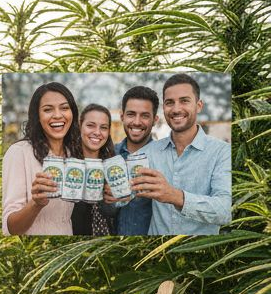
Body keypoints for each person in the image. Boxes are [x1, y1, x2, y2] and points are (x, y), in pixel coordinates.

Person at [132, 73, 232, 235]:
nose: (176, 109)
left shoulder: (222, 152)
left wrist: (175, 196)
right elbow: (126, 192)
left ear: (199, 106)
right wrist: (114, 194)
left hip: (201, 252)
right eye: (169, 103)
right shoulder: (148, 152)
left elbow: (225, 211)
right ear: (163, 108)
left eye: (184, 101)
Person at [2, 81, 81, 236]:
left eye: (64, 108)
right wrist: (35, 204)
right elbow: (10, 228)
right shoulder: (19, 153)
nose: (58, 115)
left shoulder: (73, 155)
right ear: (37, 116)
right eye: (47, 109)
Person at [114, 85, 159, 235]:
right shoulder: (109, 155)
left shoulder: (165, 159)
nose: (137, 122)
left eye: (145, 116)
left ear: (155, 120)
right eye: (131, 114)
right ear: (122, 117)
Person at [71, 103, 119, 235]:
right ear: (80, 126)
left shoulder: (112, 164)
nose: (97, 132)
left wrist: (114, 198)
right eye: (90, 125)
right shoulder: (68, 163)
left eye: (103, 127)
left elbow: (113, 212)